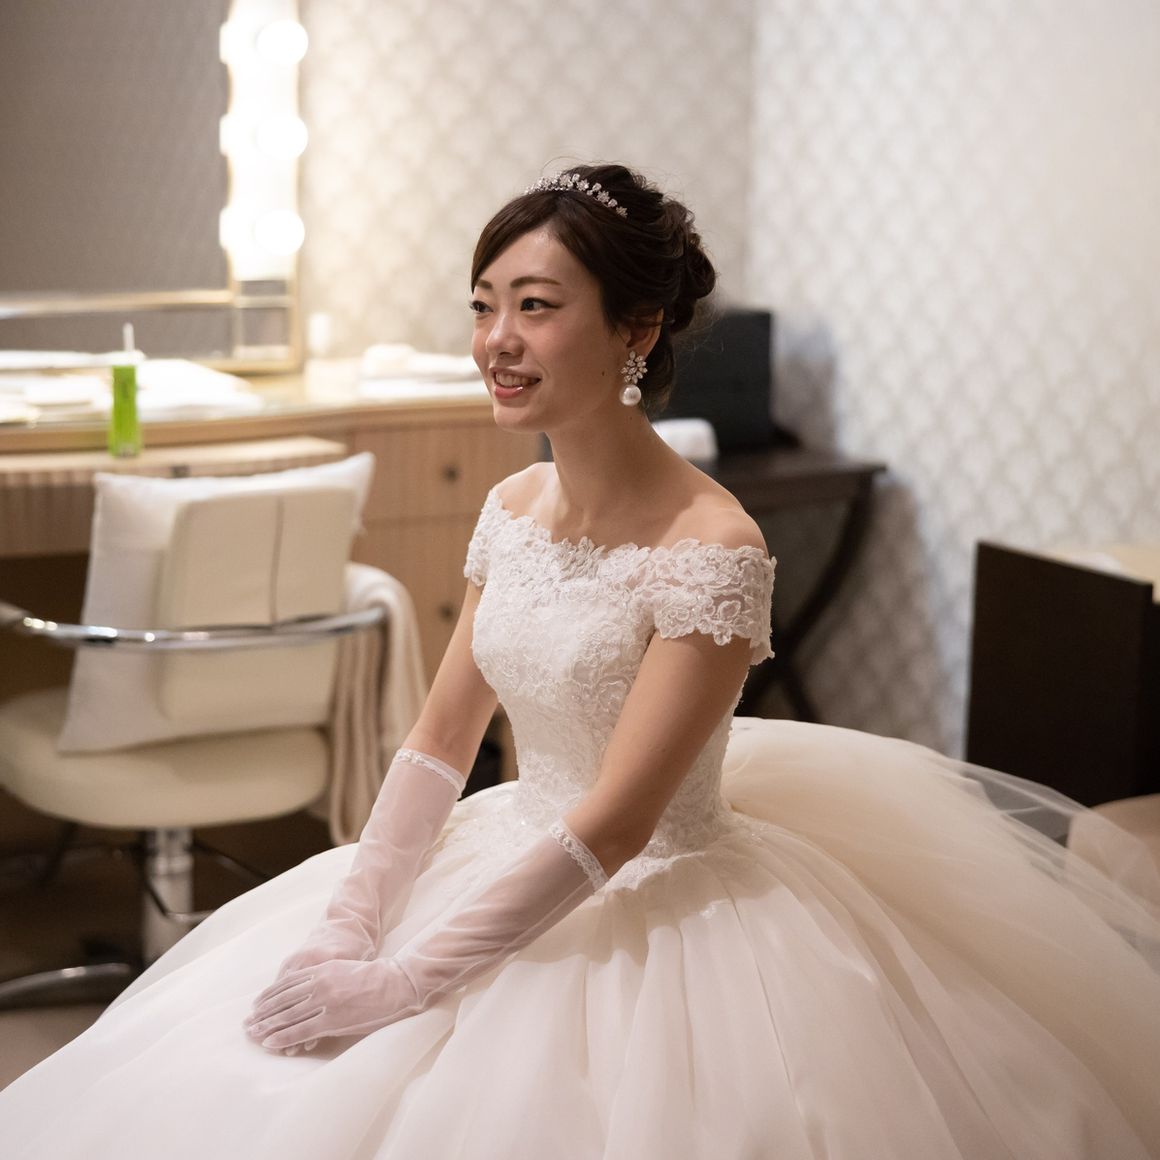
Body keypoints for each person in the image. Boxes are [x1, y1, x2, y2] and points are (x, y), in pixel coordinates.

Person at [2, 163, 1159, 1159]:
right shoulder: (512, 505)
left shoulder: (713, 548)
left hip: (649, 893)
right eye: (483, 305)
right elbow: (439, 736)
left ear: (634, 328)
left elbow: (615, 822)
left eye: (536, 306)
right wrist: (354, 917)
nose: (495, 341)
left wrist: (409, 978)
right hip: (505, 836)